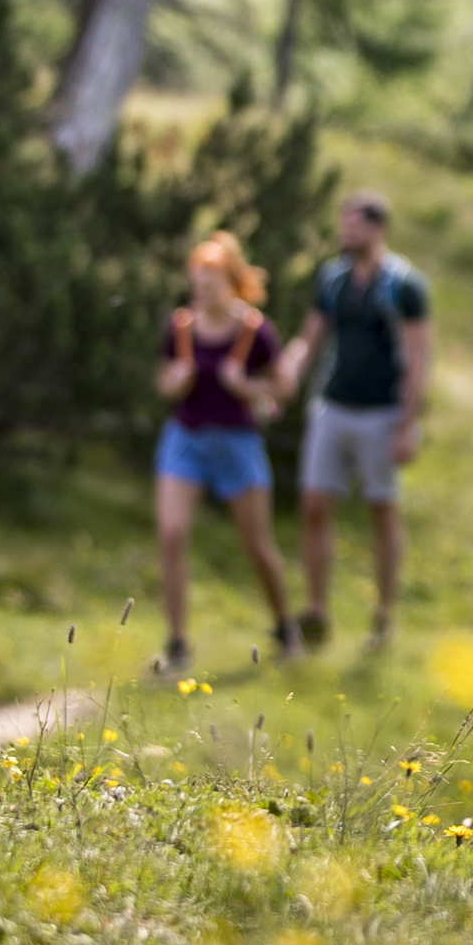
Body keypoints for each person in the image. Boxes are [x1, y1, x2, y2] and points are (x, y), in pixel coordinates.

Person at [277, 189, 431, 651]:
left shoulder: (404, 286)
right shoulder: (332, 279)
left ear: (377, 228)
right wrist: (289, 369)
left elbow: (418, 359)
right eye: (343, 224)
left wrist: (407, 424)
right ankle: (316, 610)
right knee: (314, 504)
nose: (345, 233)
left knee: (381, 509)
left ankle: (384, 614)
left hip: (381, 413)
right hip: (333, 406)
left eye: (354, 225)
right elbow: (311, 337)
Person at [154, 231, 300, 673]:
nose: (202, 293)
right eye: (197, 285)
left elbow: (284, 387)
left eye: (211, 286)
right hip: (186, 438)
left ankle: (284, 627)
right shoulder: (181, 327)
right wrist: (174, 382)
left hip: (238, 443)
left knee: (256, 544)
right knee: (172, 534)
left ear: (232, 284)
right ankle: (177, 645)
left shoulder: (256, 331)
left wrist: (246, 387)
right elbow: (163, 380)